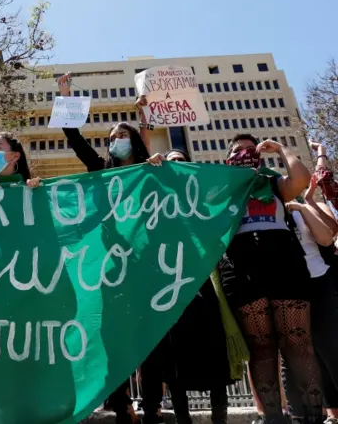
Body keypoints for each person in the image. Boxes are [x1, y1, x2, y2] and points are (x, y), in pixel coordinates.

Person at [56, 73, 150, 424]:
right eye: (112, 138)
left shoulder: (149, 172)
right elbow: (75, 139)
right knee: (111, 333)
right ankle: (121, 400)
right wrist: (66, 96)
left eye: (122, 136)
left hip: (145, 262)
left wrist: (145, 117)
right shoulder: (101, 172)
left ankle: (152, 406)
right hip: (111, 265)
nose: (116, 142)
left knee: (148, 334)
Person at [219, 133, 323, 424]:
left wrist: (279, 149)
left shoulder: (273, 183)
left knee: (297, 341)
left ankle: (313, 416)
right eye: (238, 152)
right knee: (261, 347)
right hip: (242, 268)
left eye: (250, 151)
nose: (245, 154)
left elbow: (300, 180)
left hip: (284, 263)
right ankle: (275, 419)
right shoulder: (220, 190)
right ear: (228, 161)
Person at [142, 148, 235, 424]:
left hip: (205, 285)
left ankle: (220, 419)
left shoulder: (203, 199)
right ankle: (184, 419)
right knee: (175, 362)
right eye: (172, 162)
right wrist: (150, 169)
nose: (177, 166)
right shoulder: (157, 199)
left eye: (181, 161)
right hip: (171, 287)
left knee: (215, 356)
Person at [285, 143, 338, 424]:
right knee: (303, 354)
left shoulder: (299, 208)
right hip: (289, 290)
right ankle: (315, 414)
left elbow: (327, 238)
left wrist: (301, 206)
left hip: (319, 282)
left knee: (330, 348)